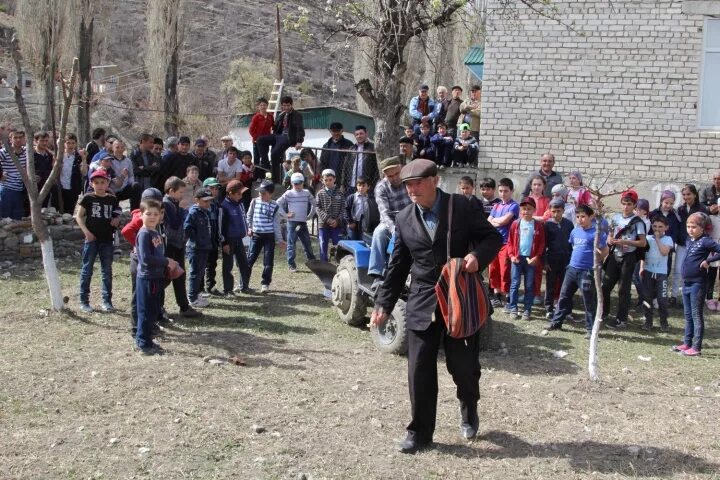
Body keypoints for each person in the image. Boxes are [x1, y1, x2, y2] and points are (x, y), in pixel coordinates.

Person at [370, 159, 502, 454]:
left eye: (418, 183)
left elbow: (492, 238)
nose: (412, 189)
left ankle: (469, 405)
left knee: (464, 368)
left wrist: (478, 257)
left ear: (435, 180)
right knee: (419, 369)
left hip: (459, 299)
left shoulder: (462, 206)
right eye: (407, 185)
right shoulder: (403, 218)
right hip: (422, 301)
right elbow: (398, 265)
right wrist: (384, 302)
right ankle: (420, 432)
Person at [546, 204, 609, 337]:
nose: (580, 219)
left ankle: (590, 329)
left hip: (587, 271)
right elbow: (574, 246)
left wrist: (595, 261)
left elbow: (605, 250)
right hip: (572, 269)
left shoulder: (596, 233)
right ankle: (556, 322)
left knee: (588, 299)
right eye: (578, 217)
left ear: (591, 217)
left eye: (583, 217)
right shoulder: (575, 231)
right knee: (564, 296)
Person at [121, 187, 168, 336]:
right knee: (139, 296)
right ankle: (136, 327)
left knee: (151, 295)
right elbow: (126, 231)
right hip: (140, 262)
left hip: (152, 262)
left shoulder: (155, 215)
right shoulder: (140, 218)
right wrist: (139, 246)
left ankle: (150, 323)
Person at [672, 212, 720, 356]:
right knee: (688, 315)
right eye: (688, 226)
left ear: (702, 228)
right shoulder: (689, 240)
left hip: (698, 284)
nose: (690, 229)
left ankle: (696, 347)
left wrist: (708, 261)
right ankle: (687, 343)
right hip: (686, 283)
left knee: (696, 315)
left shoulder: (706, 241)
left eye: (693, 227)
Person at [134, 199, 178, 355]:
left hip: (156, 277)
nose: (152, 217)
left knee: (152, 310)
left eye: (155, 214)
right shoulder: (144, 233)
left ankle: (148, 339)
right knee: (145, 312)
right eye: (148, 214)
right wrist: (166, 261)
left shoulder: (155, 232)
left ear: (160, 215)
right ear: (141, 215)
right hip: (147, 278)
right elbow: (145, 259)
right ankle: (143, 343)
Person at [75, 169, 121, 313]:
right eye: (97, 183)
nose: (100, 186)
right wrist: (86, 233)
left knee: (106, 270)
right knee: (87, 270)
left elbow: (116, 215)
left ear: (107, 183)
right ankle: (84, 301)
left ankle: (107, 301)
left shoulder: (112, 199)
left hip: (107, 239)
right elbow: (78, 216)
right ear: (91, 183)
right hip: (92, 239)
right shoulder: (88, 198)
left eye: (103, 182)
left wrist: (116, 220)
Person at [602, 189, 648, 329]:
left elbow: (643, 242)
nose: (626, 206)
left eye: (629, 204)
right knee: (606, 285)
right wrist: (610, 239)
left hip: (628, 257)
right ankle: (603, 312)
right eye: (624, 203)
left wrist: (626, 242)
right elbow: (610, 234)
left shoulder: (638, 222)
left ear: (634, 205)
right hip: (614, 255)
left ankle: (621, 319)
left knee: (623, 289)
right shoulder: (615, 218)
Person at [367, 157, 412, 287]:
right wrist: (395, 230)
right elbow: (384, 213)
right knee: (379, 233)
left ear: (401, 168)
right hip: (391, 222)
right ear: (385, 175)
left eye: (397, 173)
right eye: (390, 176)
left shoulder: (410, 182)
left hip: (410, 220)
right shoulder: (381, 187)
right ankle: (377, 273)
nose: (395, 178)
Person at [162, 177, 201, 318]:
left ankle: (184, 307)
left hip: (178, 244)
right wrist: (183, 210)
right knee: (166, 277)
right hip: (170, 245)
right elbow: (174, 223)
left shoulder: (174, 203)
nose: (182, 195)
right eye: (180, 192)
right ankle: (159, 306)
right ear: (171, 191)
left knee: (179, 275)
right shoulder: (166, 204)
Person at [506, 197, 546, 320]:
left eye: (529, 209)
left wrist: (537, 257)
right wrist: (511, 256)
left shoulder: (538, 225)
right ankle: (513, 308)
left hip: (531, 260)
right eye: (524, 209)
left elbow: (541, 244)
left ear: (534, 210)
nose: (526, 211)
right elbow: (510, 242)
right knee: (515, 284)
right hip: (517, 259)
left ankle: (527, 310)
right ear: (520, 210)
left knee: (529, 285)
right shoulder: (515, 224)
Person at [246, 180, 285, 293]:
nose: (261, 195)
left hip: (269, 237)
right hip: (256, 235)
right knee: (250, 260)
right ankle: (244, 283)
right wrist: (250, 227)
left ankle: (265, 284)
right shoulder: (254, 202)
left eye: (264, 193)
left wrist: (280, 240)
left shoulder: (275, 206)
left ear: (270, 193)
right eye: (260, 193)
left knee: (268, 262)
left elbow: (276, 224)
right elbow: (249, 215)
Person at [256, 96, 305, 184]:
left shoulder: (297, 115)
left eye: (288, 105)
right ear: (281, 105)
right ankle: (266, 163)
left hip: (288, 137)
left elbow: (300, 129)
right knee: (260, 140)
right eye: (284, 106)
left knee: (274, 154)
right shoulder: (281, 115)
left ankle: (275, 180)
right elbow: (276, 127)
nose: (286, 108)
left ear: (291, 105)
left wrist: (299, 141)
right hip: (278, 136)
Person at [488, 178, 519, 308]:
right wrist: (495, 221)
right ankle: (496, 296)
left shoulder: (514, 206)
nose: (502, 194)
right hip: (494, 242)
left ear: (511, 191)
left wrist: (495, 221)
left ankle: (507, 297)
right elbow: (488, 221)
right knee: (493, 269)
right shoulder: (496, 205)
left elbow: (504, 221)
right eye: (500, 191)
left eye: (506, 191)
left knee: (505, 270)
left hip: (507, 242)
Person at [676, 184, 708, 307]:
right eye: (684, 194)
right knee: (680, 269)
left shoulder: (702, 209)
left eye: (688, 194)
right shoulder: (681, 209)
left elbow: (706, 227)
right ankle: (675, 296)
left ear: (695, 194)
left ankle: (698, 296)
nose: (686, 197)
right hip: (683, 243)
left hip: (697, 245)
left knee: (695, 270)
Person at [640, 215, 673, 331]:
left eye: (660, 227)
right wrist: (641, 267)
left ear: (666, 228)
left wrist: (658, 239)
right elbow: (643, 255)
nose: (657, 229)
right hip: (648, 272)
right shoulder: (648, 238)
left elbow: (664, 252)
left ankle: (664, 323)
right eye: (654, 226)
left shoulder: (668, 239)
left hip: (661, 274)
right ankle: (648, 322)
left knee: (662, 299)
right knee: (647, 298)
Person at [278, 173, 316, 272]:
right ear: (291, 183)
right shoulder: (288, 193)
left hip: (302, 222)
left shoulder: (307, 193)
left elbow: (315, 204)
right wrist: (285, 215)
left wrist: (310, 216)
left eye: (299, 183)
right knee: (291, 244)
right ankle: (291, 265)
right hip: (292, 223)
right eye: (295, 183)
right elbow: (277, 203)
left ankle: (312, 262)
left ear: (303, 183)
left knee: (307, 243)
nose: (297, 185)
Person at [649, 190, 682, 305]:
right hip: (652, 248)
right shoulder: (653, 214)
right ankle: (650, 296)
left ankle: (657, 297)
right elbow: (649, 230)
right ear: (661, 201)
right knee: (651, 272)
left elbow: (675, 233)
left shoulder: (675, 216)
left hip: (666, 249)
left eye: (671, 203)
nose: (668, 205)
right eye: (666, 202)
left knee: (665, 272)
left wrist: (667, 244)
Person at [543, 198, 574, 319]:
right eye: (554, 211)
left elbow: (572, 244)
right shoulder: (547, 225)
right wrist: (545, 261)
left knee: (566, 286)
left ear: (563, 210)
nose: (556, 214)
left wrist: (571, 260)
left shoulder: (568, 224)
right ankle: (549, 309)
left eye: (559, 211)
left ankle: (566, 310)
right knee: (550, 285)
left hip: (566, 259)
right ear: (550, 211)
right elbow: (543, 245)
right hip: (552, 259)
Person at [184, 188, 215, 308]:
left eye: (209, 201)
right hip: (195, 248)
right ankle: (192, 298)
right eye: (205, 201)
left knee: (200, 272)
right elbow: (187, 228)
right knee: (195, 272)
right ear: (197, 200)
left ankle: (196, 294)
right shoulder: (193, 212)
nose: (208, 203)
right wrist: (197, 240)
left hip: (204, 247)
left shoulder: (205, 211)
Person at [220, 179, 252, 294]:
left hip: (239, 239)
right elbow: (222, 227)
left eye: (241, 193)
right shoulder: (224, 207)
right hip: (229, 240)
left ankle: (244, 286)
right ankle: (228, 290)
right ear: (230, 193)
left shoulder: (240, 204)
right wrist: (225, 243)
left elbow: (243, 219)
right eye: (238, 193)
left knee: (244, 263)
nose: (241, 195)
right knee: (228, 266)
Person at [315, 169, 345, 262]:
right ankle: (324, 263)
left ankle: (338, 263)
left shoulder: (340, 193)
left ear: (334, 179)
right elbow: (318, 208)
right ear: (322, 181)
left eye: (330, 179)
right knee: (323, 243)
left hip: (336, 224)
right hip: (323, 224)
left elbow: (343, 209)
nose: (328, 182)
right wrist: (327, 219)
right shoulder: (320, 193)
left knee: (338, 244)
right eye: (326, 180)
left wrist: (337, 221)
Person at [57, 134, 88, 215]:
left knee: (69, 212)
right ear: (64, 143)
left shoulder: (78, 157)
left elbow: (84, 172)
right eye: (68, 143)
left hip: (73, 188)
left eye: (73, 143)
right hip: (60, 187)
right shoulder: (59, 156)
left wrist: (84, 159)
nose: (70, 145)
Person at [318, 122, 354, 192]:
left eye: (338, 131)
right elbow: (322, 162)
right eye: (334, 131)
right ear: (330, 131)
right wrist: (322, 176)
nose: (336, 133)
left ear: (342, 131)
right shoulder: (326, 146)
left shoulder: (349, 145)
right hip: (328, 178)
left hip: (343, 180)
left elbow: (352, 163)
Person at [201, 177, 222, 295]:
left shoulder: (216, 204)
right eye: (212, 188)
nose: (215, 190)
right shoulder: (201, 205)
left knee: (212, 263)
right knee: (201, 264)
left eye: (216, 188)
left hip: (214, 238)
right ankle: (199, 288)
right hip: (204, 239)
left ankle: (211, 285)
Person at [0, 130, 28, 220]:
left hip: (20, 188)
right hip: (8, 188)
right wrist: (0, 175)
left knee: (17, 216)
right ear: (10, 139)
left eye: (20, 137)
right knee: (5, 217)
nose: (18, 140)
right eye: (15, 137)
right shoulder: (4, 152)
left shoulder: (26, 151)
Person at [109, 139, 141, 209]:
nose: (120, 149)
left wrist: (132, 184)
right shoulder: (109, 160)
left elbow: (131, 175)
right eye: (117, 147)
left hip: (124, 188)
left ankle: (134, 212)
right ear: (112, 148)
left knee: (136, 186)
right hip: (112, 190)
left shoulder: (128, 161)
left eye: (122, 147)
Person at [348, 125, 379, 192]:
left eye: (361, 133)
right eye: (357, 134)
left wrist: (373, 183)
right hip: (352, 184)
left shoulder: (373, 148)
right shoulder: (352, 148)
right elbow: (345, 166)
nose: (359, 136)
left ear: (366, 134)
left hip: (366, 185)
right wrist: (343, 183)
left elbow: (377, 168)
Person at [248, 97, 274, 168]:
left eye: (264, 105)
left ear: (267, 106)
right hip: (257, 142)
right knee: (257, 159)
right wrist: (257, 138)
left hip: (266, 141)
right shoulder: (256, 117)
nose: (263, 107)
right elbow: (251, 130)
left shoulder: (270, 116)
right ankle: (257, 177)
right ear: (259, 107)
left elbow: (274, 127)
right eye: (261, 105)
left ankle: (265, 176)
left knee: (264, 159)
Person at [32, 131, 54, 208]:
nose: (44, 143)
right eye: (42, 141)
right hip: (33, 187)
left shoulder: (49, 155)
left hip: (46, 186)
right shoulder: (31, 154)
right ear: (35, 141)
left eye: (46, 141)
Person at [345, 176, 370, 241]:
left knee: (363, 241)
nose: (361, 188)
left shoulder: (370, 199)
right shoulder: (352, 197)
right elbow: (346, 209)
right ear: (356, 186)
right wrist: (350, 222)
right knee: (352, 241)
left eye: (363, 186)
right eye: (359, 185)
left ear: (368, 187)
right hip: (353, 223)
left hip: (364, 224)